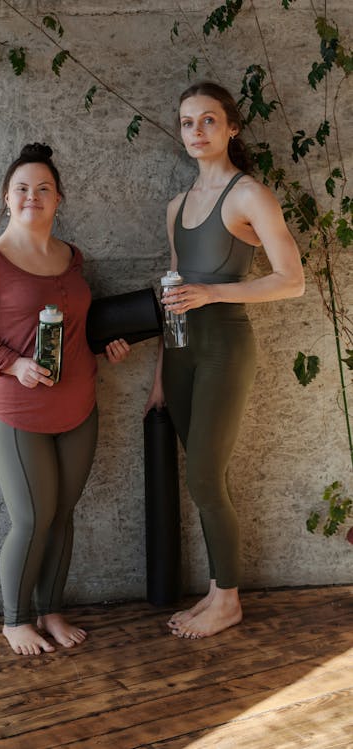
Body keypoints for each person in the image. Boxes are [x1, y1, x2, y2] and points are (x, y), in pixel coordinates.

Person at [0, 143, 130, 656]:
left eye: (44, 189)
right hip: (17, 412)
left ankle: (50, 610)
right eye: (23, 188)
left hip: (79, 407)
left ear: (58, 199)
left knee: (63, 513)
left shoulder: (71, 257)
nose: (34, 196)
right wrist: (14, 364)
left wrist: (105, 346)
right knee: (31, 518)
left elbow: (75, 326)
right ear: (7, 198)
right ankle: (15, 620)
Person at [144, 81, 305, 639]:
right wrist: (160, 374)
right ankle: (217, 592)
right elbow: (172, 296)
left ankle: (228, 600)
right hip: (183, 356)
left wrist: (215, 294)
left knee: (207, 478)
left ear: (232, 127)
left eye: (208, 120)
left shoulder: (248, 195)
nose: (197, 132)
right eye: (188, 123)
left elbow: (292, 281)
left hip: (225, 351)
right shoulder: (176, 208)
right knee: (204, 479)